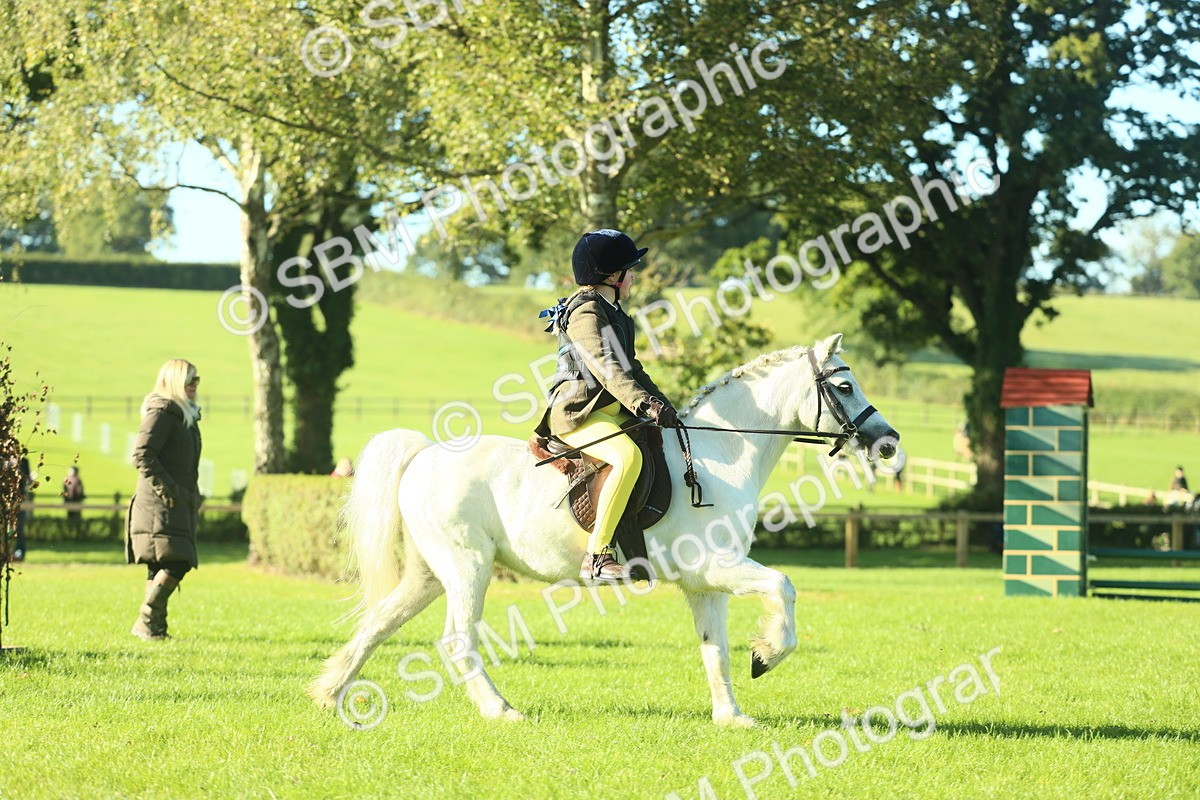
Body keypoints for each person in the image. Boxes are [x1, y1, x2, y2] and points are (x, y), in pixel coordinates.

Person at [535, 229, 679, 583]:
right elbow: (606, 366)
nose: (634, 277)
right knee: (628, 457)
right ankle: (597, 556)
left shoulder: (615, 312)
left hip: (611, 411)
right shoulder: (585, 313)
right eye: (630, 271)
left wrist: (662, 405)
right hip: (579, 414)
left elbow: (632, 369)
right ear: (613, 276)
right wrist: (642, 405)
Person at [125, 359, 203, 641]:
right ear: (174, 382)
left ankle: (154, 629)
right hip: (161, 502)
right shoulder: (162, 413)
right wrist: (169, 490)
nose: (194, 385)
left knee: (161, 563)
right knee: (178, 561)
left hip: (174, 500)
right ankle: (146, 619)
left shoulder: (182, 414)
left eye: (196, 379)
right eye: (189, 380)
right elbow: (142, 454)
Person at [62, 466, 85, 536]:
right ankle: (76, 532)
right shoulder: (77, 480)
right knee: (76, 517)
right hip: (75, 501)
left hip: (70, 501)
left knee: (71, 517)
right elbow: (80, 491)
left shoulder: (67, 479)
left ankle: (71, 531)